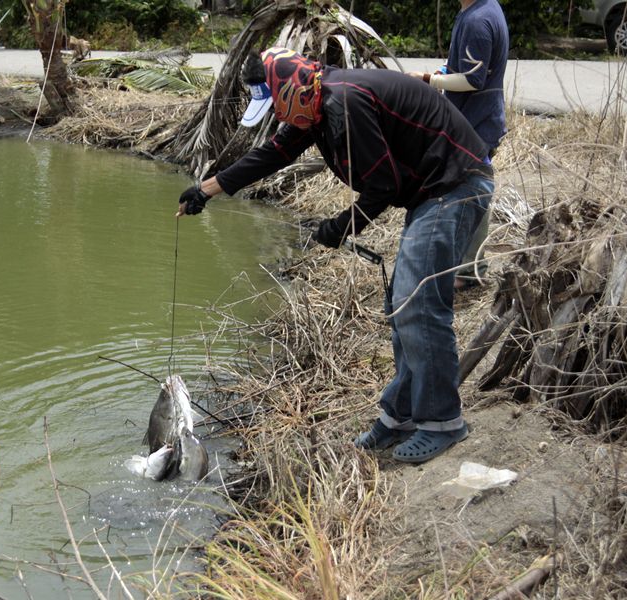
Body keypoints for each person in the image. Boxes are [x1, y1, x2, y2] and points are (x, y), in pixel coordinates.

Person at [176, 47, 494, 464]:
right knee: (402, 306)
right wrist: (207, 189)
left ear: (288, 89)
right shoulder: (316, 101)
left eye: (276, 106)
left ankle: (442, 422)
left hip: (455, 186)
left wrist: (340, 226)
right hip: (434, 190)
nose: (279, 117)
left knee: (417, 305)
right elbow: (273, 153)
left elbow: (381, 185)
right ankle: (400, 416)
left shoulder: (345, 101)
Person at [410, 0, 509, 291]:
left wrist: (430, 80)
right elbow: (466, 66)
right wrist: (441, 72)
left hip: (477, 123)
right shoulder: (477, 10)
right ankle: (471, 266)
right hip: (475, 120)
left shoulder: (478, 20)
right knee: (475, 189)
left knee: (472, 191)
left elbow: (473, 79)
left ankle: (469, 270)